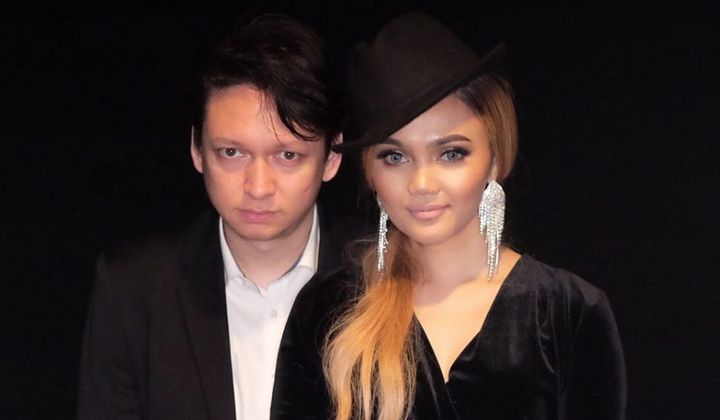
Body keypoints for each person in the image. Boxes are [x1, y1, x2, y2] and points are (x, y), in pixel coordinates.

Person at [272, 13, 627, 420]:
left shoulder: (568, 312)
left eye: (451, 153)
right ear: (370, 173)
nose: (422, 183)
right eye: (395, 157)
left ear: (495, 158)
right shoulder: (328, 309)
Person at [77, 14, 354, 420]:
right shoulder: (134, 289)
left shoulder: (386, 276)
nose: (258, 186)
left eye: (287, 155)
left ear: (331, 157)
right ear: (197, 150)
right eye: (232, 153)